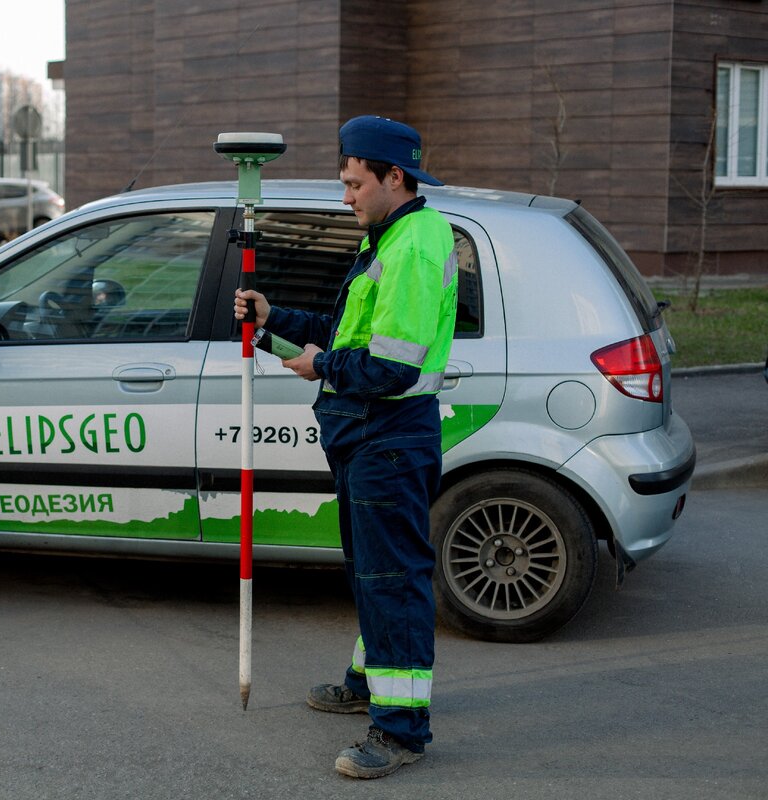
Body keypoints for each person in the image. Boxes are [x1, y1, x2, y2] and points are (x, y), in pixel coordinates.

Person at [234, 115, 457, 779]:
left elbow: (386, 368)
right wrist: (277, 323)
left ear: (395, 177)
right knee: (372, 572)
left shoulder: (413, 247)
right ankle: (369, 684)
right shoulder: (392, 235)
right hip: (368, 435)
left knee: (392, 581)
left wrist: (320, 367)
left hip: (386, 432)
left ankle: (400, 730)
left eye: (355, 184)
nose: (346, 197)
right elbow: (343, 333)